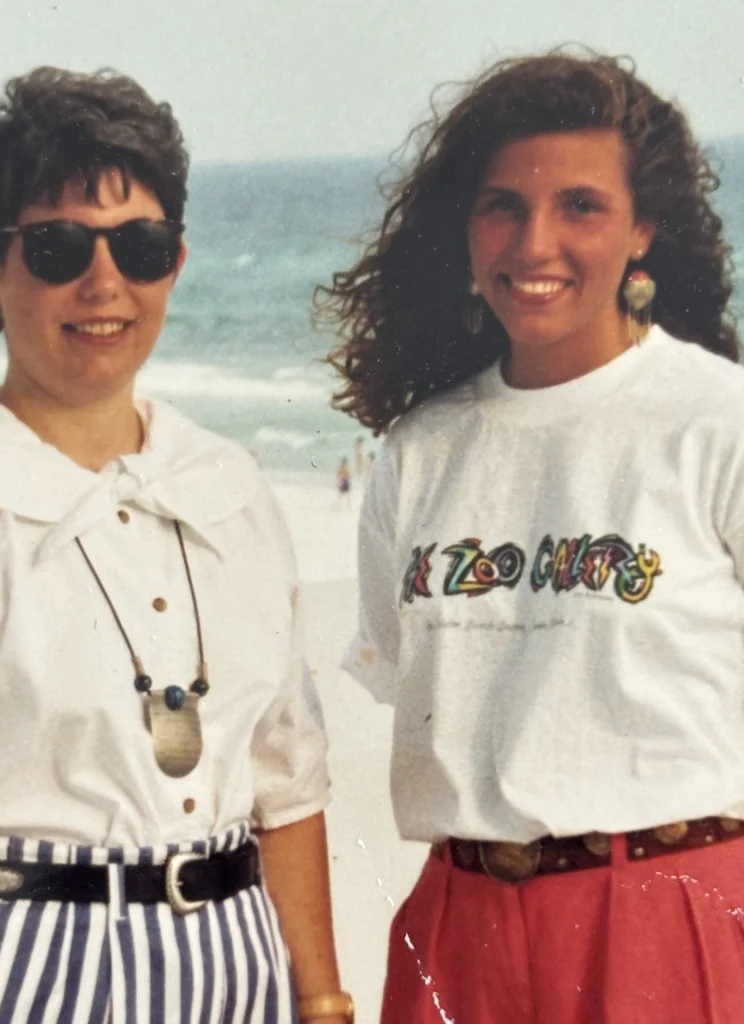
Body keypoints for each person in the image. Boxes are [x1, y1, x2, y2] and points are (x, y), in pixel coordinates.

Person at [317, 49, 744, 1024]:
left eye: (581, 207)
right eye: (503, 206)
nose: (535, 241)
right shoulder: (419, 450)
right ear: (464, 230)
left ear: (642, 231)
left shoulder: (718, 421)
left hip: (670, 913)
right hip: (459, 924)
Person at [0, 67, 353, 1024]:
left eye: (139, 246)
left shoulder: (229, 487)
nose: (105, 284)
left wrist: (321, 1003)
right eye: (59, 246)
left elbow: (286, 779)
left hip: (239, 961)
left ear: (176, 260)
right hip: (22, 967)